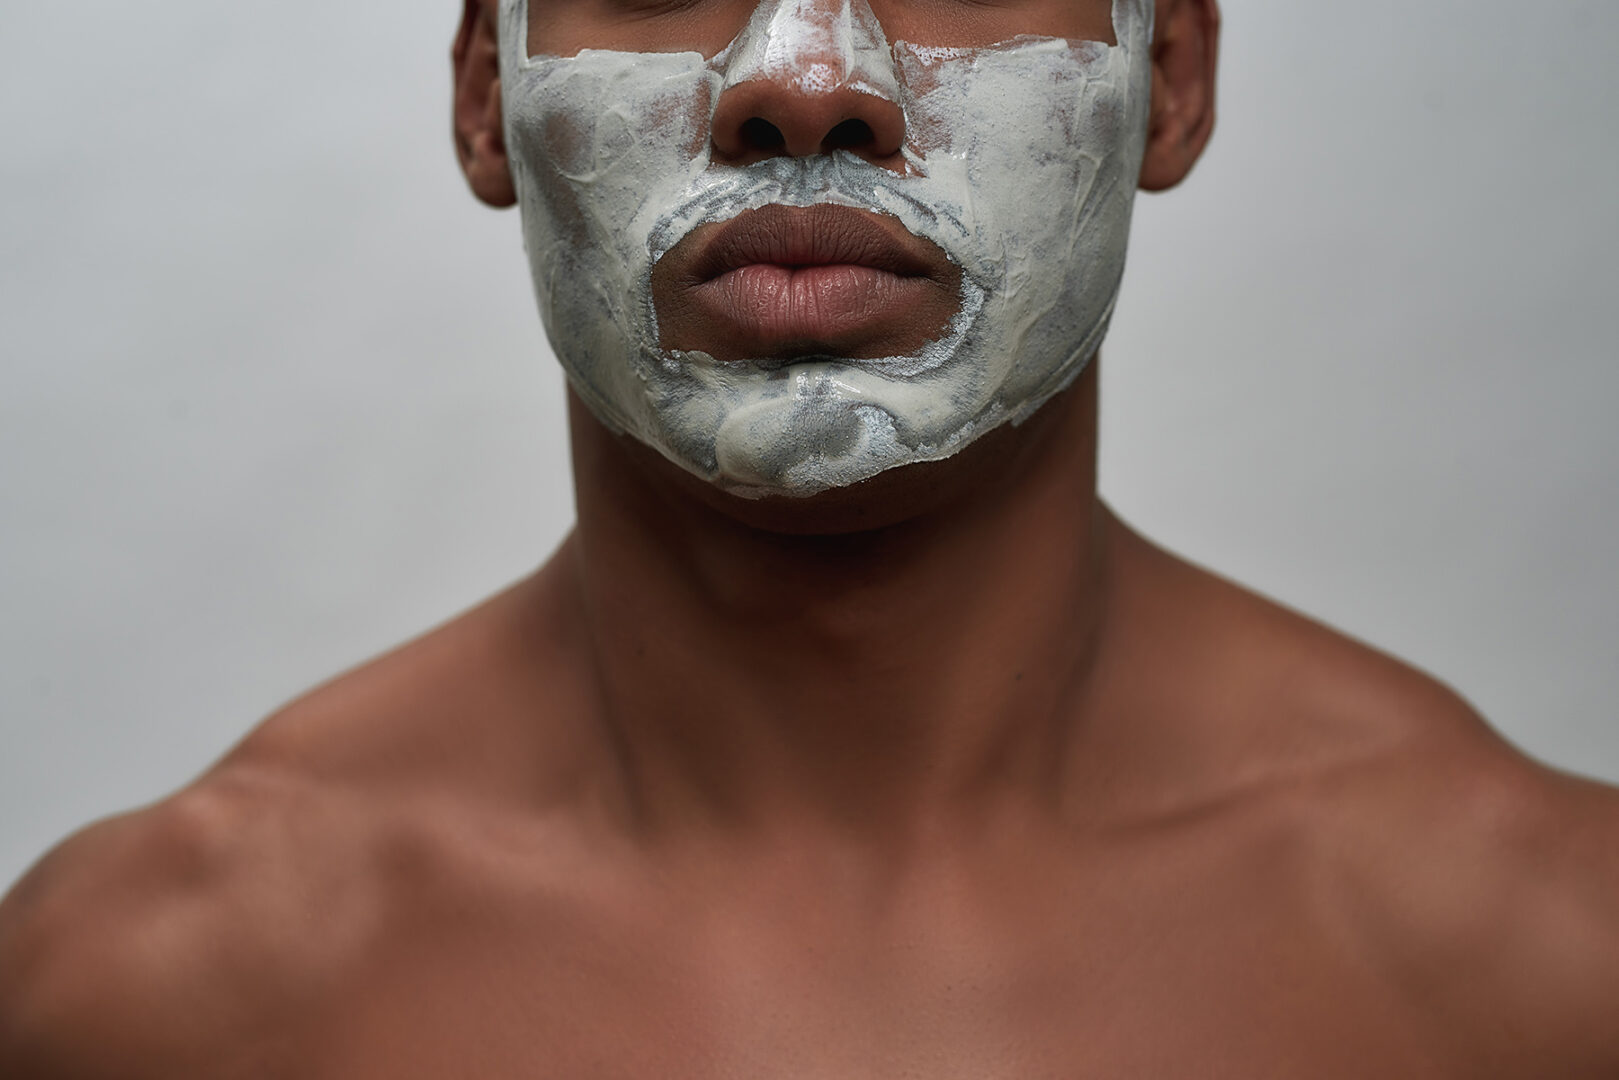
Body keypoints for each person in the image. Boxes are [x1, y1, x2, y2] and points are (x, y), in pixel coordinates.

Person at [3, 0, 1617, 1074]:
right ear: (490, 97)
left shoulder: (1544, 971)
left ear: (1171, 78)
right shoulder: (144, 1000)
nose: (803, 79)